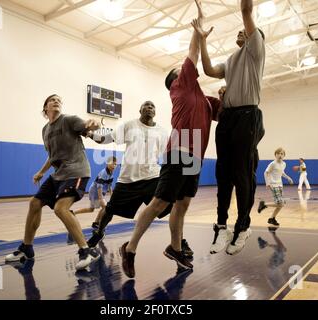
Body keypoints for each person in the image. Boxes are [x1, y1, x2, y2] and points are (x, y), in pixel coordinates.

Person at [119, 0, 222, 278]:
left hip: (196, 157)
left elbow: (226, 109)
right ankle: (129, 249)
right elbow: (193, 55)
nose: (186, 69)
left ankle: (175, 248)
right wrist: (198, 32)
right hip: (178, 151)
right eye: (181, 69)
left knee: (183, 204)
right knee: (159, 203)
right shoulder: (180, 87)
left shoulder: (205, 99)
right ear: (175, 80)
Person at [192, 0, 265, 255]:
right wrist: (202, 40)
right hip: (228, 119)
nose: (240, 30)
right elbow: (209, 69)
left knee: (242, 175)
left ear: (254, 36)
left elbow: (245, 10)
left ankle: (242, 226)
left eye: (246, 30)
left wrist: (247, 13)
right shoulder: (232, 60)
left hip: (247, 116)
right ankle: (221, 226)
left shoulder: (255, 50)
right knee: (223, 176)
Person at [5, 94, 101, 270]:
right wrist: (41, 172)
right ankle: (27, 248)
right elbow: (52, 156)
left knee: (60, 209)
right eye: (52, 100)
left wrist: (94, 124)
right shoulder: (45, 130)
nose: (56, 101)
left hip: (76, 170)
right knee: (34, 203)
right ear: (45, 108)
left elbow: (89, 129)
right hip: (59, 174)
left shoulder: (70, 120)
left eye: (58, 100)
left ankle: (87, 251)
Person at [86, 101, 195, 255]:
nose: (150, 107)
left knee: (174, 209)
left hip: (153, 178)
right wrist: (90, 134)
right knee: (109, 210)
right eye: (146, 105)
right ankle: (99, 233)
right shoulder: (129, 125)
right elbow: (107, 138)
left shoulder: (163, 132)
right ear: (140, 109)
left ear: (155, 112)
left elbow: (170, 153)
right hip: (128, 180)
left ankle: (180, 243)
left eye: (153, 106)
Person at [73, 156, 117, 229]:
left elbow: (110, 186)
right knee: (105, 207)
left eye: (115, 164)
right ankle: (96, 222)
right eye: (112, 164)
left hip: (100, 193)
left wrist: (112, 196)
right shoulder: (103, 173)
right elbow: (99, 187)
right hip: (95, 192)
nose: (114, 166)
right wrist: (101, 199)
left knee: (91, 209)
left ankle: (74, 213)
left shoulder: (111, 174)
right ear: (107, 163)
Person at [258, 148, 294, 226]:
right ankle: (264, 205)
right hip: (273, 185)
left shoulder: (284, 164)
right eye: (278, 153)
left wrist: (288, 178)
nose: (280, 155)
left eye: (282, 154)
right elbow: (266, 172)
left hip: (280, 185)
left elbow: (282, 173)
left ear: (284, 155)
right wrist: (267, 183)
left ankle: (272, 218)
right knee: (280, 203)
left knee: (281, 204)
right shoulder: (273, 164)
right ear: (275, 155)